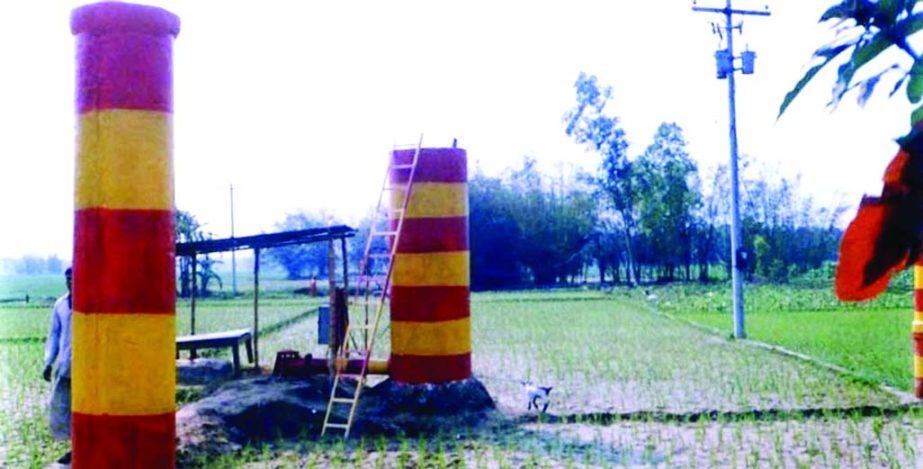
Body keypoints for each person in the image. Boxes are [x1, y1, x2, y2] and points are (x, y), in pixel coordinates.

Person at [43, 267, 72, 465]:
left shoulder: (90, 303)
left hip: (87, 367)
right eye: (68, 279)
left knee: (81, 409)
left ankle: (79, 449)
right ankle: (73, 446)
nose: (70, 282)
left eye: (74, 278)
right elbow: (54, 335)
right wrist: (48, 362)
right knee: (60, 407)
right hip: (65, 364)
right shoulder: (60, 305)